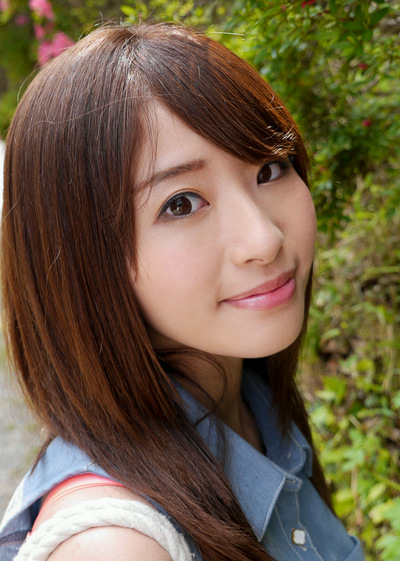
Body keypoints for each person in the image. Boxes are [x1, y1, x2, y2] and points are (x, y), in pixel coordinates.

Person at [0, 22, 364, 561]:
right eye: (181, 203)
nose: (264, 239)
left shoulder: (255, 409)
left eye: (270, 168)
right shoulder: (117, 546)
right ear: (82, 257)